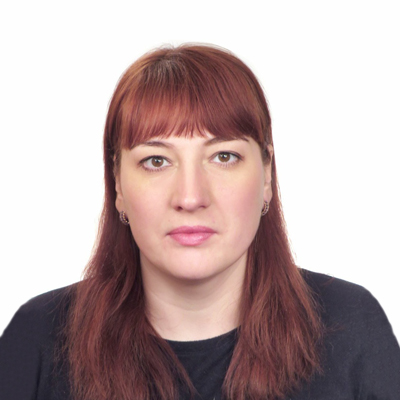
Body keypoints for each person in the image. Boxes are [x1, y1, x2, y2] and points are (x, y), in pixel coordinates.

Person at [0, 44, 399, 400]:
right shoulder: (36, 339)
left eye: (224, 157)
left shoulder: (353, 329)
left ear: (267, 176)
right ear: (117, 183)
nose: (190, 198)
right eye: (156, 160)